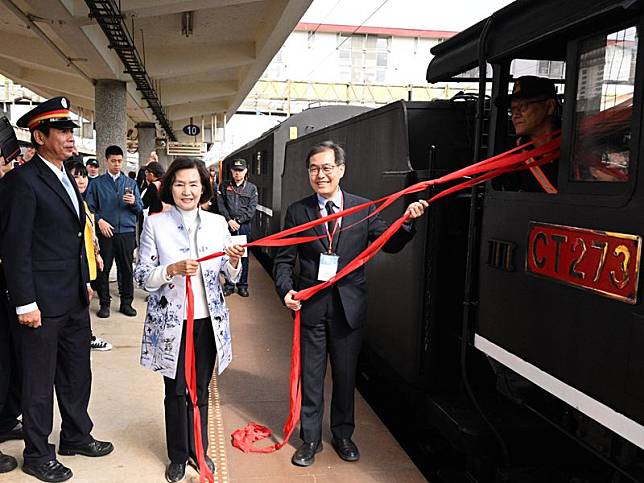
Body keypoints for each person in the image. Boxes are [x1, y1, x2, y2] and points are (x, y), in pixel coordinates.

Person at [273, 141, 427, 467]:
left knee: (345, 376)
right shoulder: (297, 212)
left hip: (348, 308)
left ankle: (342, 434)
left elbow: (391, 243)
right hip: (311, 308)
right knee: (312, 376)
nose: (320, 175)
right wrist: (286, 290)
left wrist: (408, 221)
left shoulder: (363, 208)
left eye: (327, 167)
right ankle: (310, 439)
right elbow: (283, 260)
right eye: (314, 168)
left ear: (341, 170)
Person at [0, 97, 113, 483]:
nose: (69, 137)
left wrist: (85, 280)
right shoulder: (22, 182)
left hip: (72, 296)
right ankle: (36, 452)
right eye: (62, 131)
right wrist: (24, 302)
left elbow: (69, 236)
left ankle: (77, 435)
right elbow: (16, 247)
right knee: (37, 378)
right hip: (40, 303)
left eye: (70, 131)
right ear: (39, 136)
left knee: (76, 371)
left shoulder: (66, 175)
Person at [134, 157, 244, 483]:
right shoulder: (156, 223)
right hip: (172, 323)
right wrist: (171, 269)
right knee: (176, 391)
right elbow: (142, 276)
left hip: (207, 321)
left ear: (203, 187)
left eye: (193, 184)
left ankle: (200, 448)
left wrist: (235, 262)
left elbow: (229, 274)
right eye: (180, 183)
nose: (187, 190)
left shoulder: (217, 223)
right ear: (170, 186)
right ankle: (178, 455)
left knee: (201, 389)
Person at [85, 145, 143, 319]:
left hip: (126, 232)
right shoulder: (97, 184)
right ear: (106, 161)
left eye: (119, 161)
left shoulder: (131, 184)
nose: (117, 164)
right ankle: (104, 304)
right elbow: (89, 209)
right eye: (113, 161)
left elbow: (139, 210)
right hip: (106, 233)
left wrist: (133, 202)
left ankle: (126, 303)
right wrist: (99, 220)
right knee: (104, 269)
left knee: (126, 269)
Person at [67, 161, 112, 352]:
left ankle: (86, 336)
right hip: (77, 266)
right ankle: (87, 337)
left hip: (87, 261)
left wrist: (97, 253)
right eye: (76, 176)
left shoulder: (82, 202)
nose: (81, 180)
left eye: (83, 175)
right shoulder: (70, 203)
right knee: (80, 304)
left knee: (83, 303)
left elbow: (89, 232)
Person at [494, 75, 560, 193]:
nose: (515, 115)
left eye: (523, 107)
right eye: (512, 110)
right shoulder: (512, 157)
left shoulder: (575, 147)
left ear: (550, 106)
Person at [217, 159, 257, 297]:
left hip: (243, 226)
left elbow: (252, 209)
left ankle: (242, 285)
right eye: (235, 170)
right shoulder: (224, 186)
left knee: (243, 255)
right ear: (231, 171)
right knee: (228, 254)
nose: (237, 173)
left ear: (246, 171)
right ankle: (229, 284)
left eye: (240, 170)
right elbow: (221, 205)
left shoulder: (252, 188)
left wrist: (238, 221)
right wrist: (229, 220)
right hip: (227, 226)